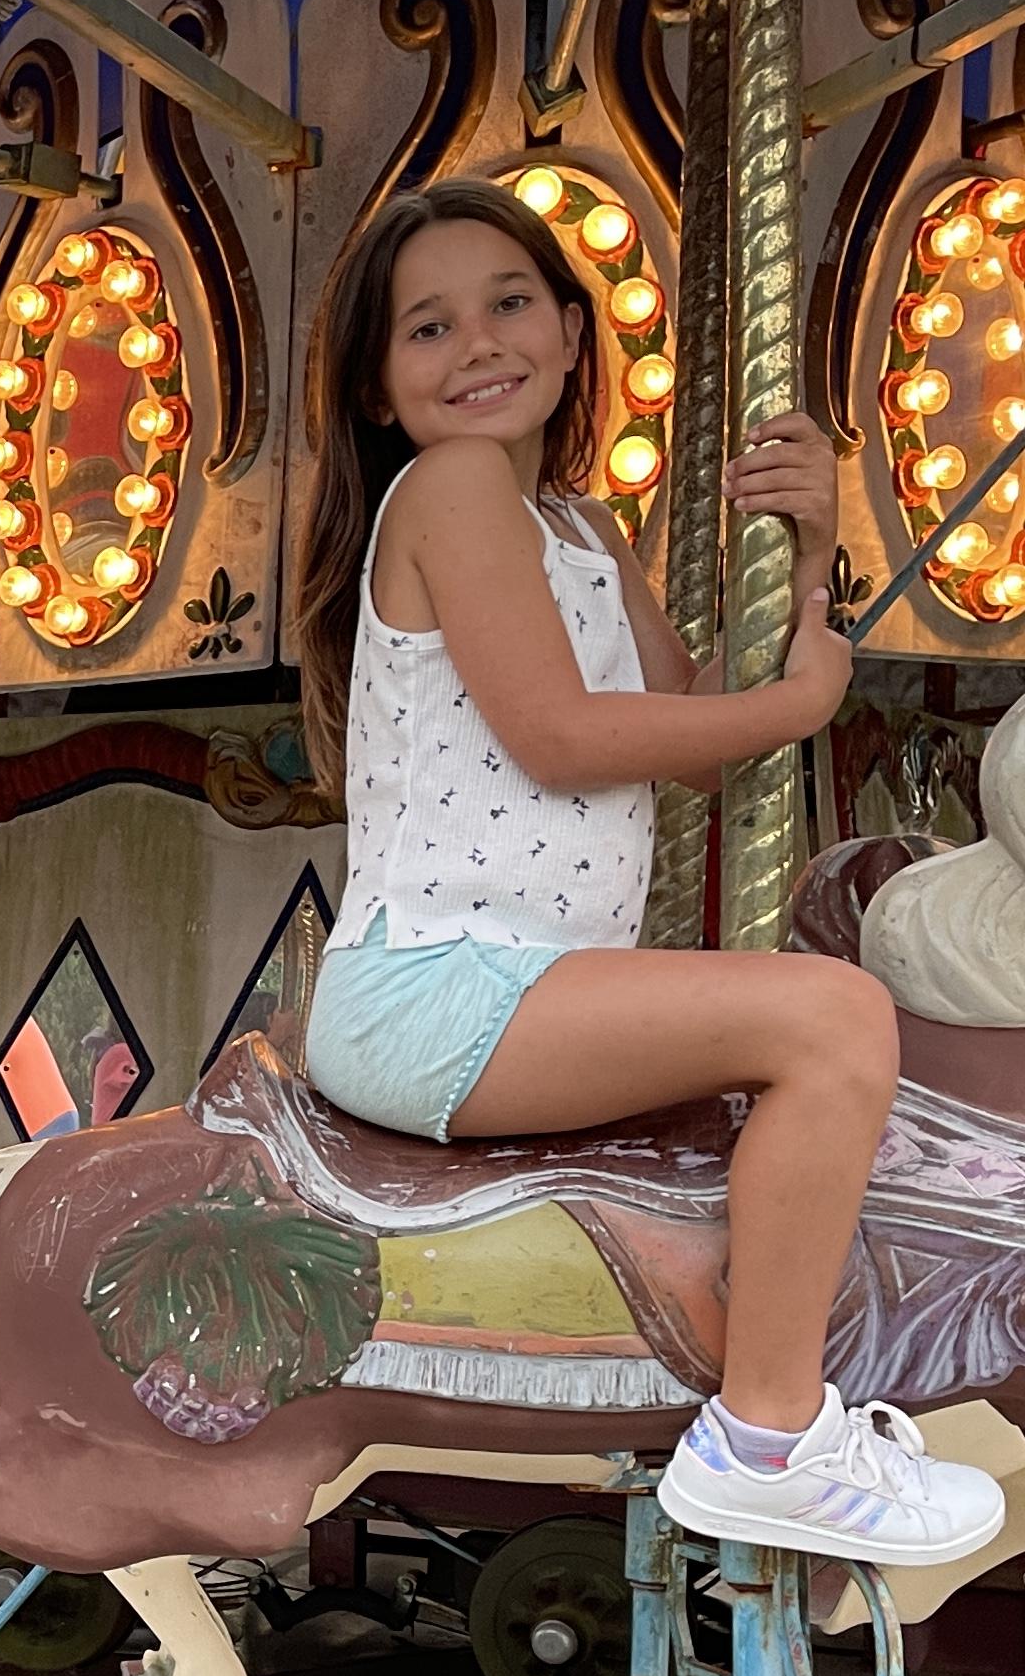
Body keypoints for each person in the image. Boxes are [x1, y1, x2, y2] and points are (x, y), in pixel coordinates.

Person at [288, 175, 998, 1567]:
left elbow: (690, 736)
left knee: (824, 1022)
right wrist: (799, 707)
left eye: (507, 305)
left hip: (529, 982)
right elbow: (561, 738)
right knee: (835, 1015)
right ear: (380, 388)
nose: (477, 344)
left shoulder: (579, 529)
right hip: (438, 989)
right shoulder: (452, 487)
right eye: (427, 328)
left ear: (567, 329)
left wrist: (807, 555)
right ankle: (772, 1434)